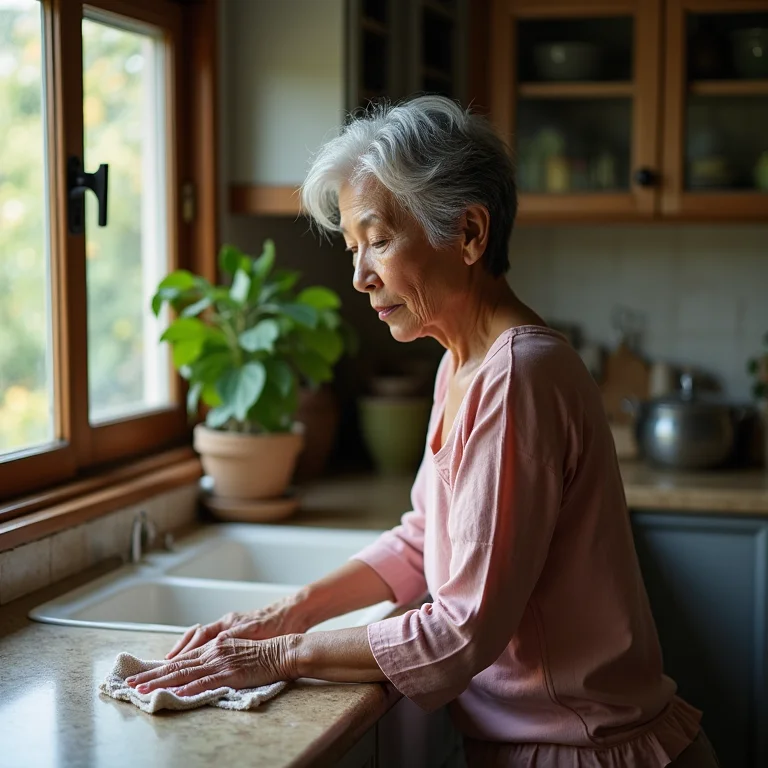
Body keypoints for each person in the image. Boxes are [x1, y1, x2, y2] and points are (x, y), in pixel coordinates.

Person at [126, 96, 719, 767]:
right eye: (353, 248)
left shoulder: (517, 375)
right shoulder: (461, 362)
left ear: (468, 233)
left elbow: (457, 633)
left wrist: (276, 656)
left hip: (585, 750)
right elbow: (422, 540)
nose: (358, 276)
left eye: (377, 241)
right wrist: (288, 613)